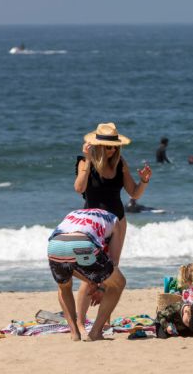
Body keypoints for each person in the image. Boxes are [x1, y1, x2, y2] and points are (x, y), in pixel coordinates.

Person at [73, 123, 151, 334]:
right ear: (98, 146)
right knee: (89, 272)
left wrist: (144, 181)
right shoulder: (84, 162)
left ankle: (101, 323)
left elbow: (134, 193)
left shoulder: (120, 163)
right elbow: (79, 187)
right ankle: (80, 323)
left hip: (117, 223)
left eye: (115, 146)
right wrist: (88, 160)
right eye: (108, 147)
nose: (113, 150)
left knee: (111, 271)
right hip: (91, 225)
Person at [47, 209, 126, 341]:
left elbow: (72, 265)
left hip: (55, 245)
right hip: (82, 244)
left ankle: (74, 333)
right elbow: (113, 263)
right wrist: (101, 286)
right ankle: (95, 332)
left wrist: (92, 281)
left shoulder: (74, 213)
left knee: (64, 287)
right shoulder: (114, 220)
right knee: (118, 283)